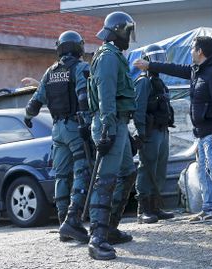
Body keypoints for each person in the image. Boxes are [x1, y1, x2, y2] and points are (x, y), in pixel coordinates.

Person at [134, 36, 212, 226]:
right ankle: (209, 210)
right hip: (201, 132)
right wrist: (150, 66)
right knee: (203, 171)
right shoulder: (197, 70)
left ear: (200, 51)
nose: (191, 52)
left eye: (193, 48)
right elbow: (176, 69)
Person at [24, 30, 91, 243]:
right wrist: (88, 124)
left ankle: (62, 222)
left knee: (61, 175)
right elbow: (83, 97)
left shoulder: (49, 72)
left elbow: (34, 104)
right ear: (78, 48)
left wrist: (27, 118)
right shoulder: (81, 68)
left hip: (57, 131)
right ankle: (73, 221)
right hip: (75, 127)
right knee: (82, 171)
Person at [87, 11, 137, 260]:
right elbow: (105, 91)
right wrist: (107, 127)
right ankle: (97, 238)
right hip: (110, 123)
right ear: (119, 31)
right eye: (128, 31)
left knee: (128, 173)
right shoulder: (108, 56)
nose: (130, 37)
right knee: (105, 180)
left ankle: (110, 228)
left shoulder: (115, 55)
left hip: (119, 123)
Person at [133, 44, 175, 224]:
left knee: (160, 169)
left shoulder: (158, 80)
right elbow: (139, 108)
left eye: (160, 57)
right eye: (154, 57)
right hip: (150, 132)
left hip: (162, 129)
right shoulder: (143, 81)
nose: (158, 61)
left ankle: (155, 206)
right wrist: (140, 132)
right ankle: (144, 209)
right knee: (147, 168)